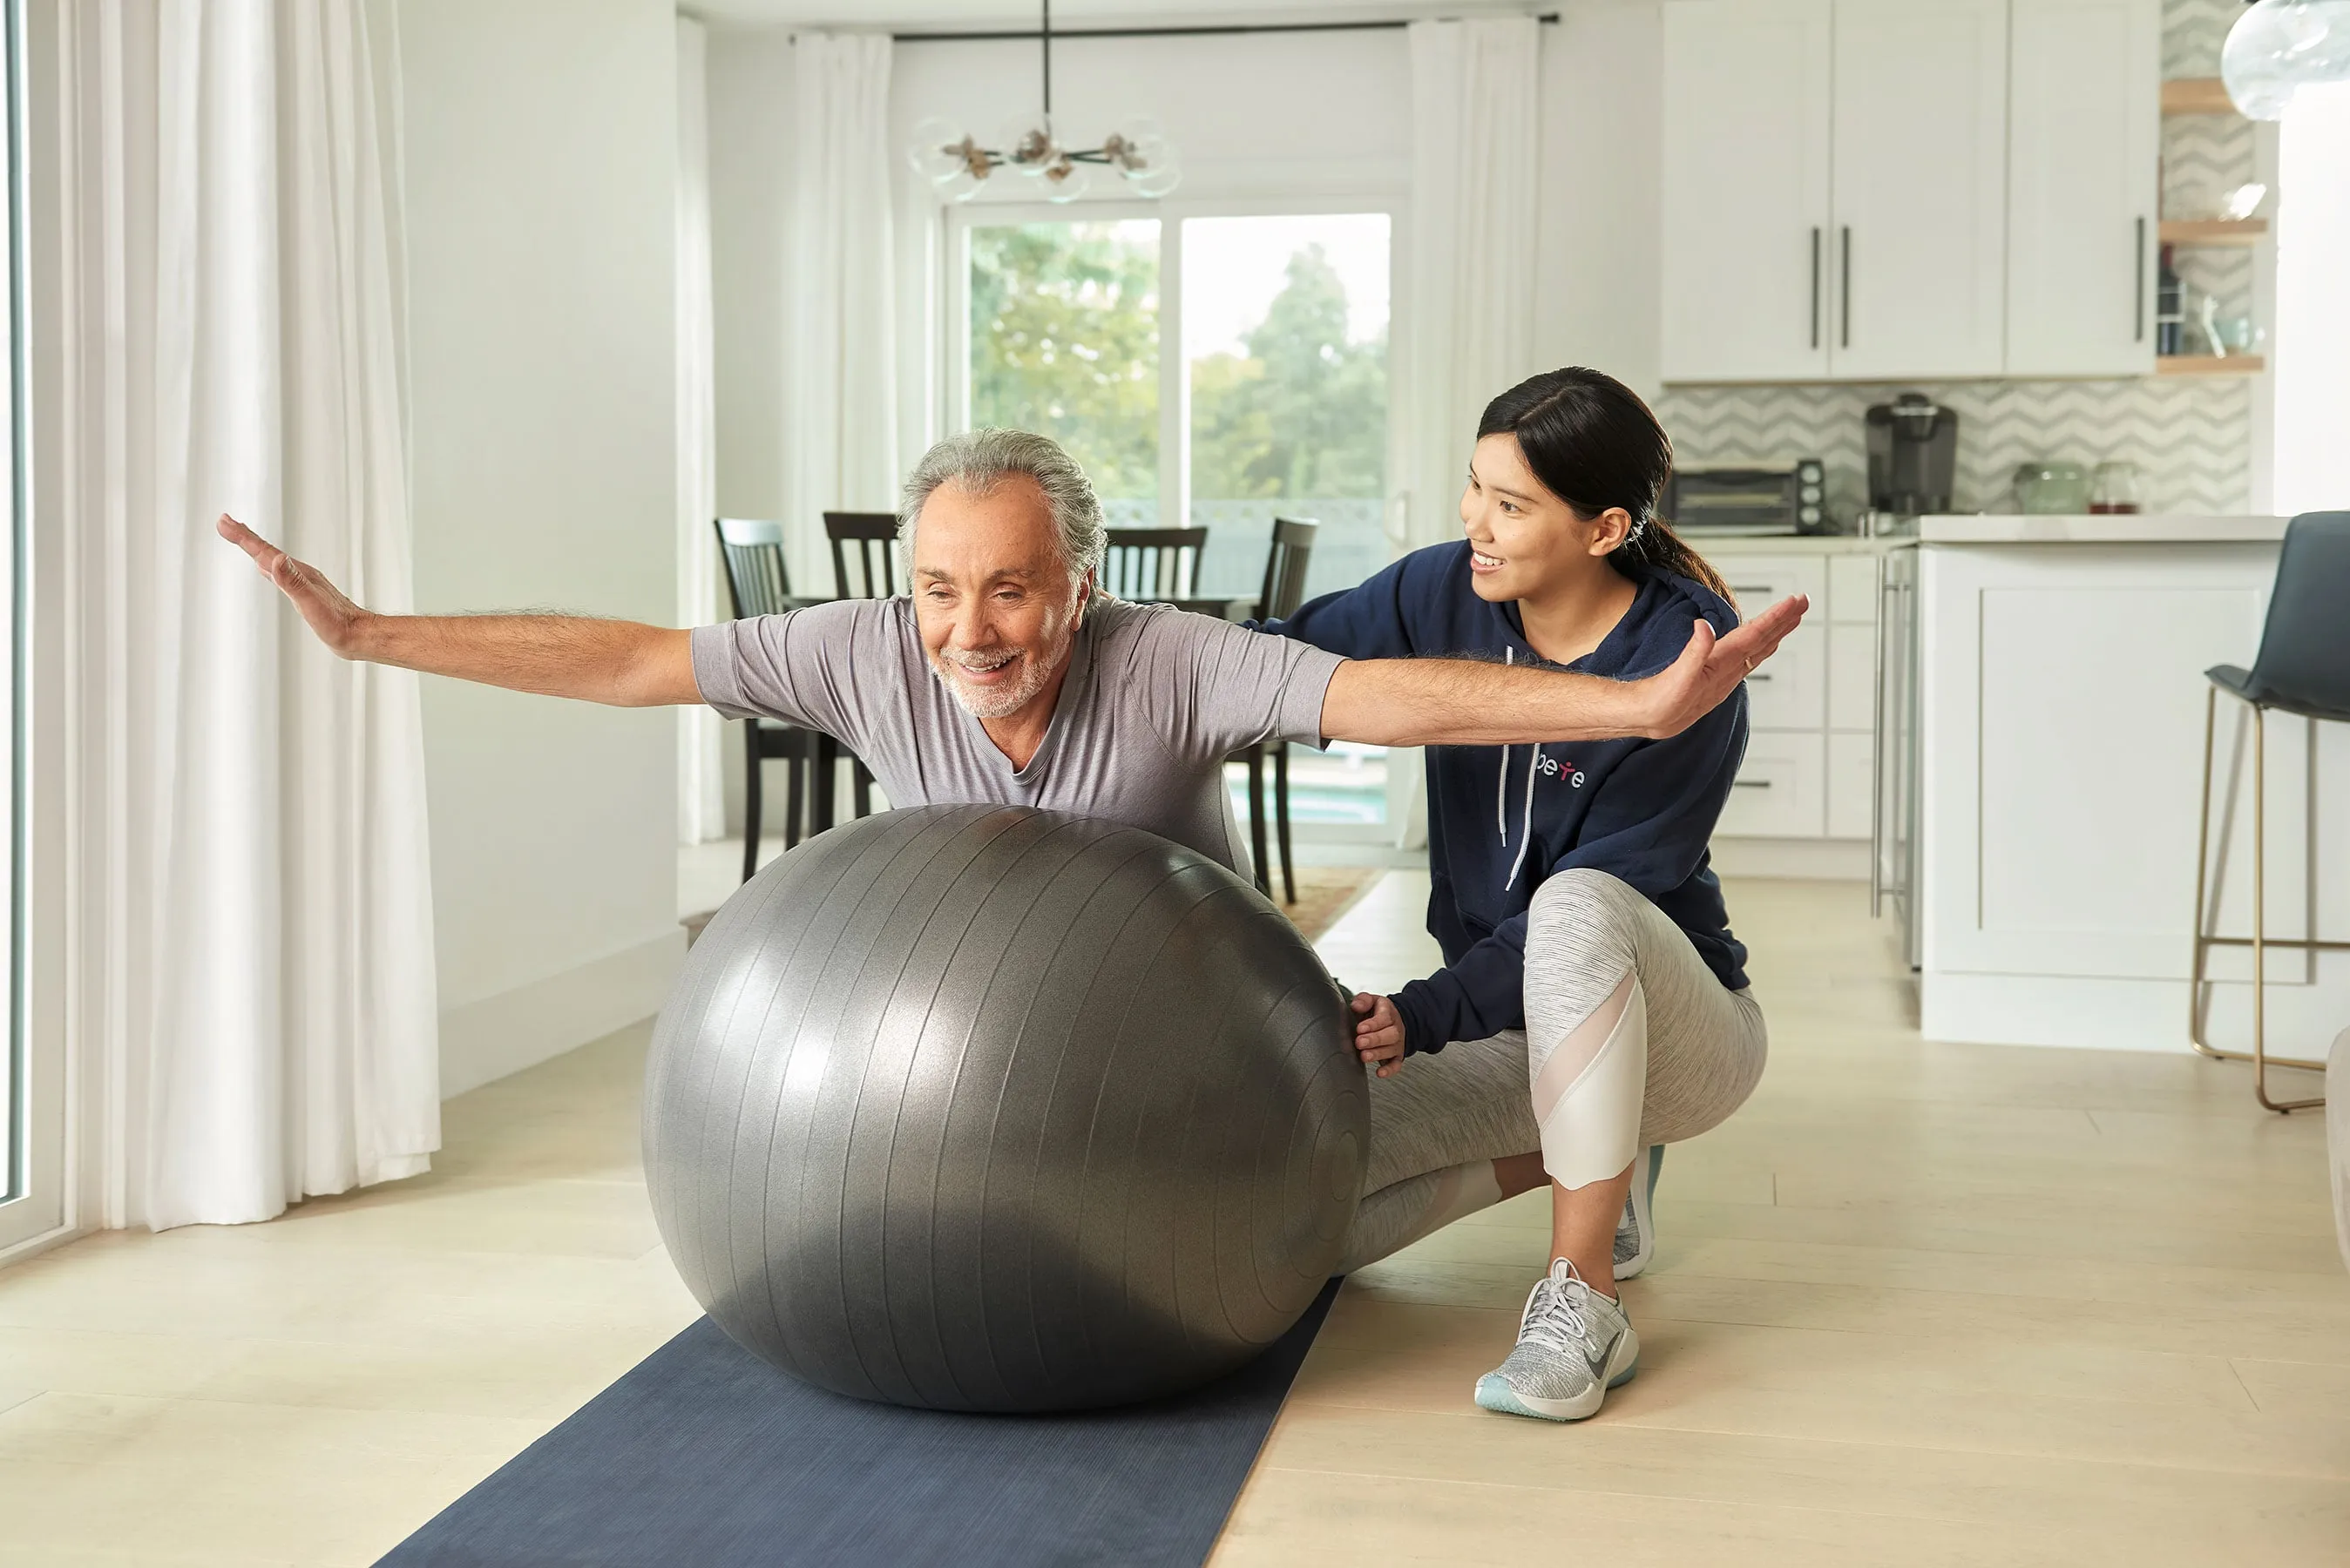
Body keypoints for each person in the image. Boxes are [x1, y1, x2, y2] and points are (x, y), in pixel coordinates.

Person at [221, 423, 1805, 1402]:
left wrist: (1632, 708)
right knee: (1281, 1255)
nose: (971, 633)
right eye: (938, 589)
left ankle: (1585, 1151)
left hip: (1194, 1080)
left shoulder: (1169, 656)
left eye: (1013, 592)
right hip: (949, 1102)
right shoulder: (852, 648)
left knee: (1281, 1254)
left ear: (1080, 583)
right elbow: (633, 661)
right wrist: (371, 636)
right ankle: (1576, 1137)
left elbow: (1379, 697)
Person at [1261, 367, 1768, 1425]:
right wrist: (1126, 647)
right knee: (1304, 1224)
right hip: (1514, 1025)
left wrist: (1426, 1014)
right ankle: (1591, 1152)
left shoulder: (1686, 658)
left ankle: (1586, 1300)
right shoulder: (1442, 588)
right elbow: (1278, 660)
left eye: (1511, 504)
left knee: (1581, 899)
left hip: (1682, 1034)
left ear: (1604, 528)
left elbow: (1619, 885)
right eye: (1474, 487)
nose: (1473, 522)